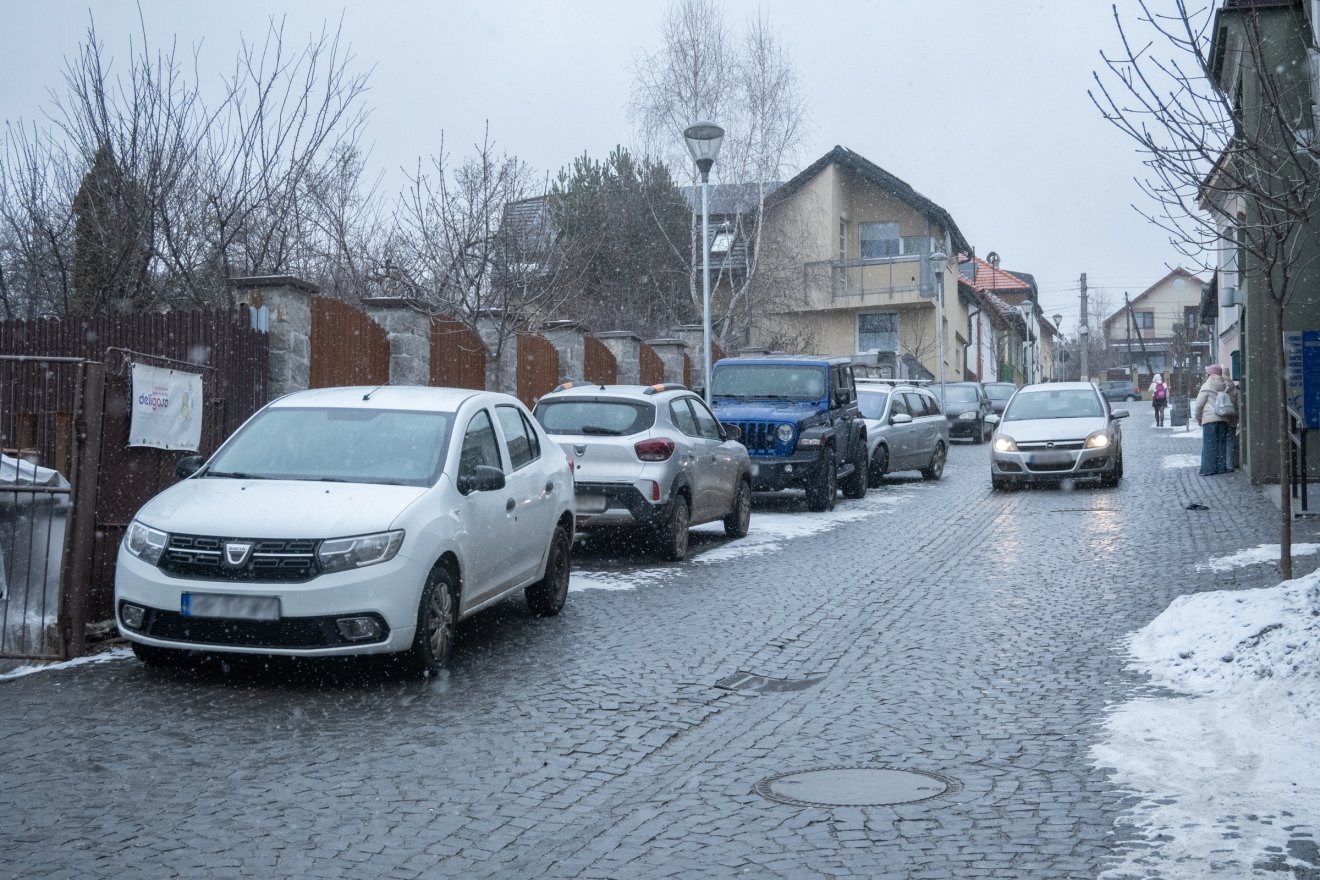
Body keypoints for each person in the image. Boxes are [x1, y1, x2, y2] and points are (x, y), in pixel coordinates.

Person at [1192, 364, 1234, 475]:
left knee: (1209, 445)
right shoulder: (1225, 385)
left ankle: (1208, 469)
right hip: (1223, 418)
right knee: (1221, 444)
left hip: (1209, 420)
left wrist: (1198, 417)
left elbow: (1199, 405)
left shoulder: (1207, 386)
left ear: (1210, 374)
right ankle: (1221, 468)